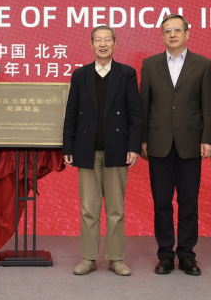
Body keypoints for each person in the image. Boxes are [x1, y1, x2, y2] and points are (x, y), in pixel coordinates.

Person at [62, 26, 143, 276]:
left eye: (107, 40)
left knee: (116, 209)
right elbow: (71, 112)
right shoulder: (80, 74)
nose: (103, 44)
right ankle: (88, 257)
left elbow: (135, 113)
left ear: (115, 43)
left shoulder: (126, 73)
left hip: (117, 150)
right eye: (98, 40)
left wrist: (134, 146)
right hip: (86, 149)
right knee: (89, 208)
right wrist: (68, 146)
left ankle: (116, 258)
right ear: (91, 44)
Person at [140, 14, 211, 276]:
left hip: (191, 143)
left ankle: (187, 255)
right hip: (158, 142)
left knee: (188, 202)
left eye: (177, 30)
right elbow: (144, 104)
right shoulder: (150, 64)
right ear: (162, 35)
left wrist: (207, 139)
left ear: (187, 33)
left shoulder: (203, 64)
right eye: (167, 31)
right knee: (161, 202)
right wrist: (143, 139)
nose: (172, 34)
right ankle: (165, 255)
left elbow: (208, 106)